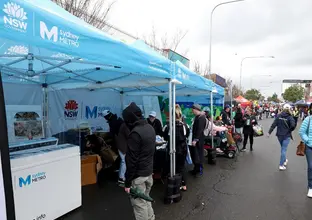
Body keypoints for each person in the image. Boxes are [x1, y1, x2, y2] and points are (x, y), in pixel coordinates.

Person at [122, 102, 156, 220]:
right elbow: (152, 151)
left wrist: (127, 182)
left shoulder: (135, 133)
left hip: (138, 176)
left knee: (139, 205)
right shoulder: (150, 128)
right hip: (148, 172)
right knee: (146, 200)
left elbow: (131, 161)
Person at [163, 104, 190, 191]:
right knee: (181, 167)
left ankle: (174, 184)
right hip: (183, 149)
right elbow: (187, 136)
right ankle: (183, 184)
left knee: (172, 167)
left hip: (172, 149)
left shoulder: (168, 126)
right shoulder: (185, 126)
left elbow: (165, 137)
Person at [267, 104, 296, 171]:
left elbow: (274, 124)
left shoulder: (279, 116)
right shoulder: (290, 117)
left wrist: (269, 132)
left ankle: (285, 160)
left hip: (279, 135)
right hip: (286, 136)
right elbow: (293, 125)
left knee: (283, 149)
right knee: (283, 150)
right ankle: (281, 165)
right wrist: (289, 130)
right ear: (289, 109)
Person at [103, 110, 127, 184]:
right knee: (124, 160)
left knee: (123, 160)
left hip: (121, 142)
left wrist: (106, 139)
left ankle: (121, 177)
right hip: (122, 142)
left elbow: (112, 134)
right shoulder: (117, 119)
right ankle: (121, 175)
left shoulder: (113, 122)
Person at [190, 104, 206, 177]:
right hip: (197, 138)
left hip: (199, 140)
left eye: (193, 110)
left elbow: (199, 130)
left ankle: (200, 171)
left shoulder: (201, 118)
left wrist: (195, 140)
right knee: (195, 155)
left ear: (196, 109)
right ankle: (196, 169)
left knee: (198, 155)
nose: (192, 111)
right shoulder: (198, 117)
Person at [299, 114, 312, 198]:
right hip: (309, 147)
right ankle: (311, 187)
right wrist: (307, 140)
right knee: (311, 166)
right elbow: (301, 131)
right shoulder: (309, 119)